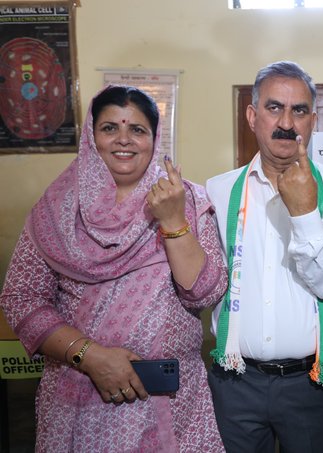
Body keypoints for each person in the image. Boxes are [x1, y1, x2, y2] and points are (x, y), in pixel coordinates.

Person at [0, 85, 228, 452]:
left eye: (137, 129)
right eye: (110, 128)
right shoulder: (57, 208)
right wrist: (89, 357)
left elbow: (203, 291)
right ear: (92, 137)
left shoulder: (188, 200)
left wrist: (172, 220)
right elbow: (21, 298)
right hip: (77, 396)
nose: (124, 140)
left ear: (155, 139)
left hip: (169, 405)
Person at [206, 61, 323, 453]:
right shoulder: (217, 192)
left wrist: (306, 213)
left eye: (300, 111)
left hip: (310, 382)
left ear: (313, 120)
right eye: (274, 108)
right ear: (252, 115)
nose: (287, 122)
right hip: (235, 382)